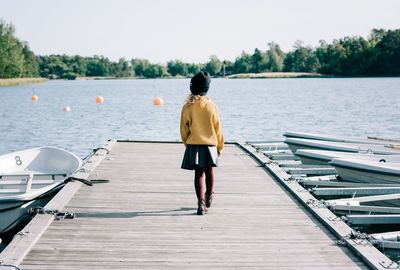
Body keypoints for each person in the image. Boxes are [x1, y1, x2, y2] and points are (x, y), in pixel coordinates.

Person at [180, 71, 224, 215]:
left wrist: (187, 143)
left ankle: (201, 203)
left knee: (198, 174)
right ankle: (209, 195)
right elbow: (218, 128)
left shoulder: (188, 106)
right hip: (210, 144)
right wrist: (220, 146)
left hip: (194, 144)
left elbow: (183, 128)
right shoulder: (212, 106)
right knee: (209, 171)